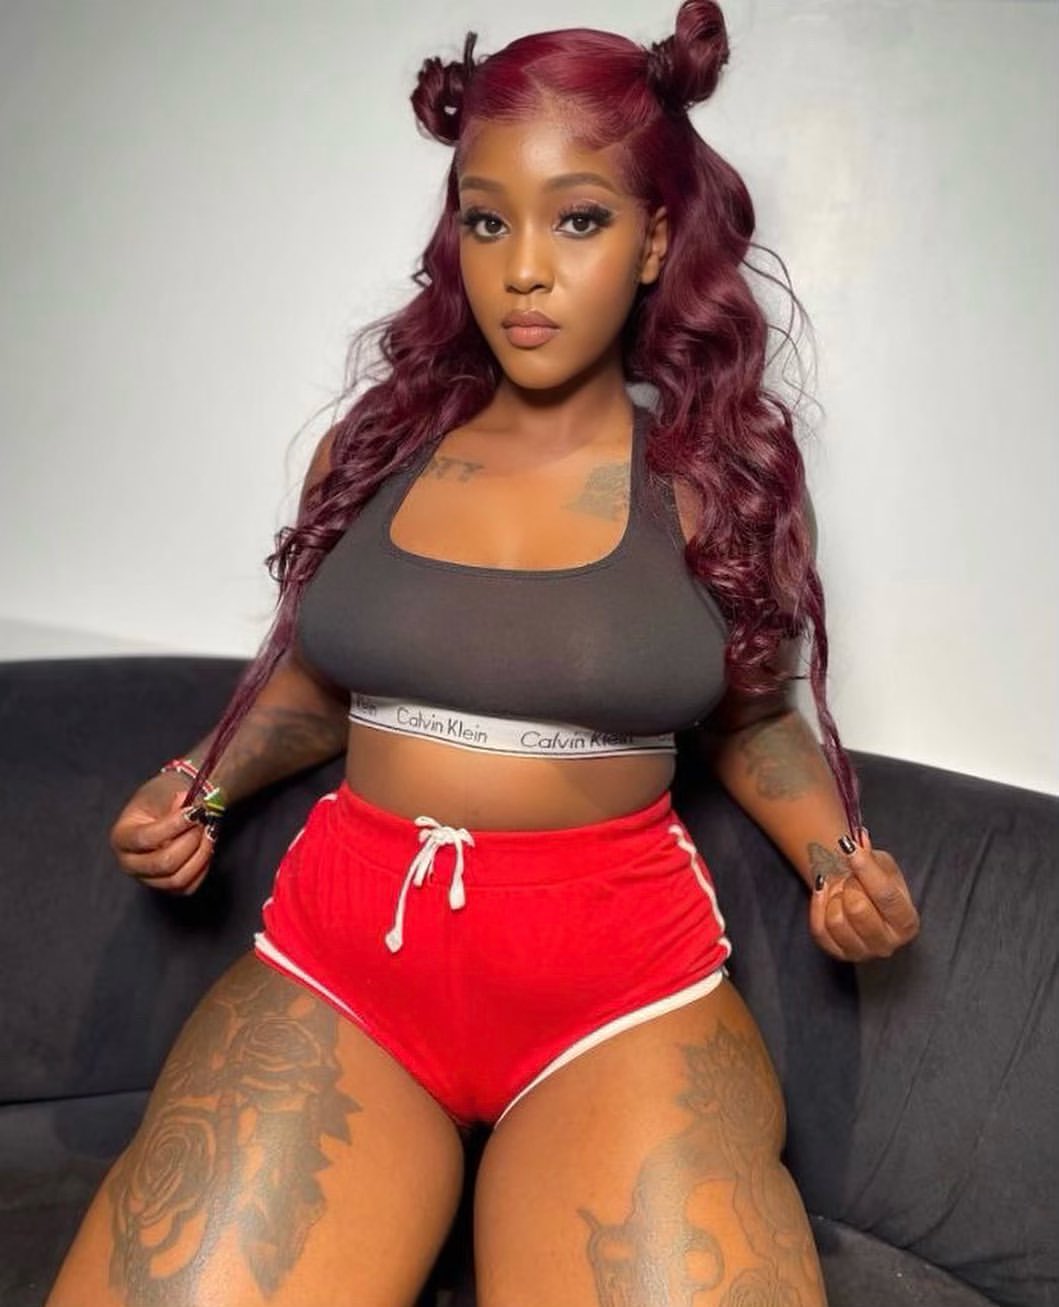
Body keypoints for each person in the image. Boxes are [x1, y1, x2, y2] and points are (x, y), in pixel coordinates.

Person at [46, 3, 921, 1304]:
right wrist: (202, 787)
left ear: (654, 241)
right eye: (487, 220)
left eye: (579, 220)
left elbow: (751, 717)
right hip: (343, 967)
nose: (523, 270)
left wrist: (836, 860)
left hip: (616, 993)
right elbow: (317, 685)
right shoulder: (373, 450)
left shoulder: (712, 483)